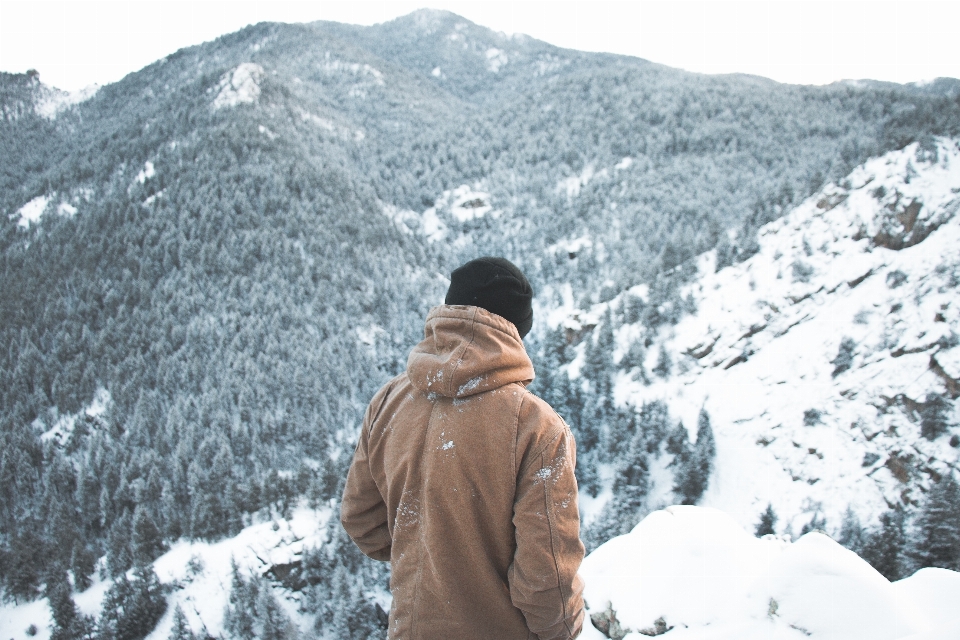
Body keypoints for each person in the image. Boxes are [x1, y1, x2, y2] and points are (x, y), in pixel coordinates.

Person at [341, 257, 585, 640]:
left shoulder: (388, 401)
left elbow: (363, 524)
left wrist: (426, 547)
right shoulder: (537, 428)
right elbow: (547, 579)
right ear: (516, 333)